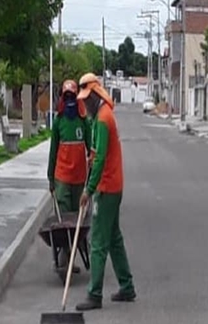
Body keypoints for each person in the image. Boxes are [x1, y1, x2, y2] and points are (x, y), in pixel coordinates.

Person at [75, 72, 137, 311]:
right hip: (114, 186)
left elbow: (99, 159)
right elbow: (97, 154)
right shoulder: (103, 116)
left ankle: (94, 294)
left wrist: (88, 190)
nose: (83, 103)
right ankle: (127, 286)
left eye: (85, 98)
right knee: (114, 238)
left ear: (95, 95)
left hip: (106, 187)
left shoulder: (102, 119)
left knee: (99, 240)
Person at [47, 79, 92, 273]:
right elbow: (53, 151)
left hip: (80, 179)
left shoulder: (84, 122)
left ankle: (72, 256)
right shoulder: (58, 122)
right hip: (62, 178)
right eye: (67, 97)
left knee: (77, 222)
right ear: (62, 99)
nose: (70, 101)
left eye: (72, 97)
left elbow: (92, 150)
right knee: (64, 221)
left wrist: (92, 179)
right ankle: (64, 258)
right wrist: (51, 178)